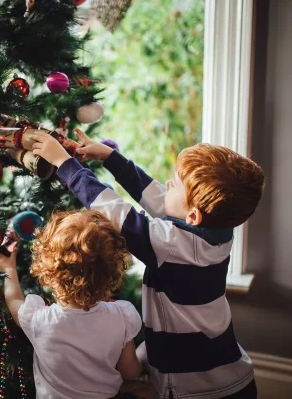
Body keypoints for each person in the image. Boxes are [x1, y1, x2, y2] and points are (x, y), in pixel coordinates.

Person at [28, 130, 265, 399]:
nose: (166, 184)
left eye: (174, 185)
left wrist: (65, 164)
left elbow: (115, 211)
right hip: (232, 375)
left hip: (197, 388)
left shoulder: (171, 245)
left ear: (193, 215)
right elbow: (156, 197)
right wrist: (110, 157)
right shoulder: (217, 232)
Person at [0, 210, 143, 399]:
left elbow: (13, 299)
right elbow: (130, 372)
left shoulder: (40, 320)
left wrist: (7, 266)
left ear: (48, 273)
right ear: (111, 273)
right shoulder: (122, 316)